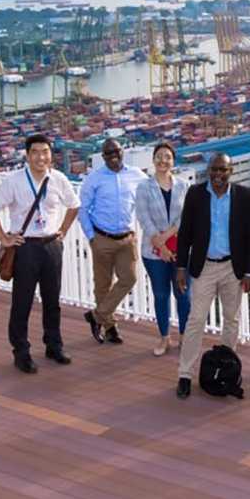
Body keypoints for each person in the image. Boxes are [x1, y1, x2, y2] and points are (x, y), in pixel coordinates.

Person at [0, 134, 81, 374]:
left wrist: (63, 231)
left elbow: (74, 204)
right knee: (22, 302)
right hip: (25, 247)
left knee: (52, 300)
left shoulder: (58, 179)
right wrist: (5, 239)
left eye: (45, 152)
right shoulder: (14, 181)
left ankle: (54, 345)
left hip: (51, 245)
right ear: (27, 156)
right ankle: (21, 351)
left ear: (51, 155)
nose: (41, 157)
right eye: (35, 152)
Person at [174, 153, 250, 399]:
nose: (218, 175)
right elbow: (185, 232)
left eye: (223, 170)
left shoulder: (244, 196)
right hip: (205, 268)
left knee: (231, 320)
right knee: (196, 320)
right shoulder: (196, 194)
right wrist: (181, 267)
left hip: (233, 268)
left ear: (232, 171)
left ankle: (227, 370)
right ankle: (185, 374)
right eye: (214, 170)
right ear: (208, 170)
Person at [79, 138, 147, 345]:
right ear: (103, 156)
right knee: (103, 285)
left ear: (123, 151)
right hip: (102, 237)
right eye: (108, 153)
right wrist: (92, 238)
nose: (113, 156)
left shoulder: (137, 175)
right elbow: (83, 209)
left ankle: (96, 315)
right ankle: (110, 328)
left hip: (127, 239)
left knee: (129, 278)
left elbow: (152, 193)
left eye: (116, 151)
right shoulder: (94, 178)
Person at [135, 141, 190, 356]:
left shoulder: (183, 185)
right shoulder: (143, 187)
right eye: (159, 156)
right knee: (160, 294)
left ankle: (185, 337)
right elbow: (143, 218)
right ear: (153, 159)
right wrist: (160, 245)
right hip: (153, 252)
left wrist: (167, 237)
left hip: (180, 250)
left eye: (167, 157)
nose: (163, 161)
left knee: (184, 294)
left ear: (173, 161)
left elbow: (186, 217)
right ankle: (164, 337)